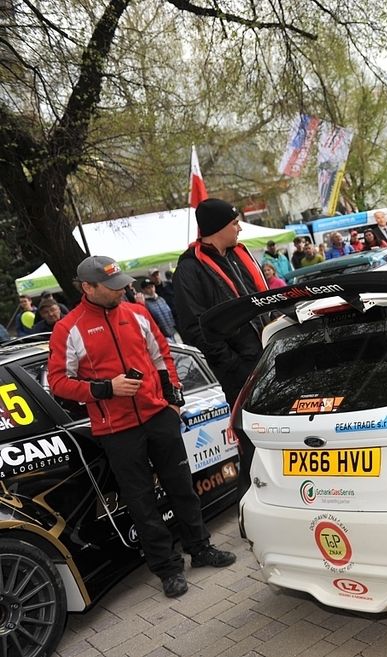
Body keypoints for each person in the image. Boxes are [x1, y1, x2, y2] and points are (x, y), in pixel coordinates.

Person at [49, 255, 235, 599]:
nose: (121, 291)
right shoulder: (68, 328)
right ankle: (167, 569)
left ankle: (201, 548)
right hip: (116, 430)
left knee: (182, 487)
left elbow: (162, 356)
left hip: (158, 416)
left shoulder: (137, 312)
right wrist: (106, 388)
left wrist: (173, 401)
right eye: (112, 287)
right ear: (87, 287)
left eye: (122, 284)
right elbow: (58, 382)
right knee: (142, 502)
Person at [174, 198, 269, 493]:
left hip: (268, 357)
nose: (240, 228)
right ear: (218, 228)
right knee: (253, 444)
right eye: (234, 223)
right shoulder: (190, 270)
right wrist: (234, 364)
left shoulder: (240, 255)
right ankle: (252, 500)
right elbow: (194, 329)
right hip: (240, 370)